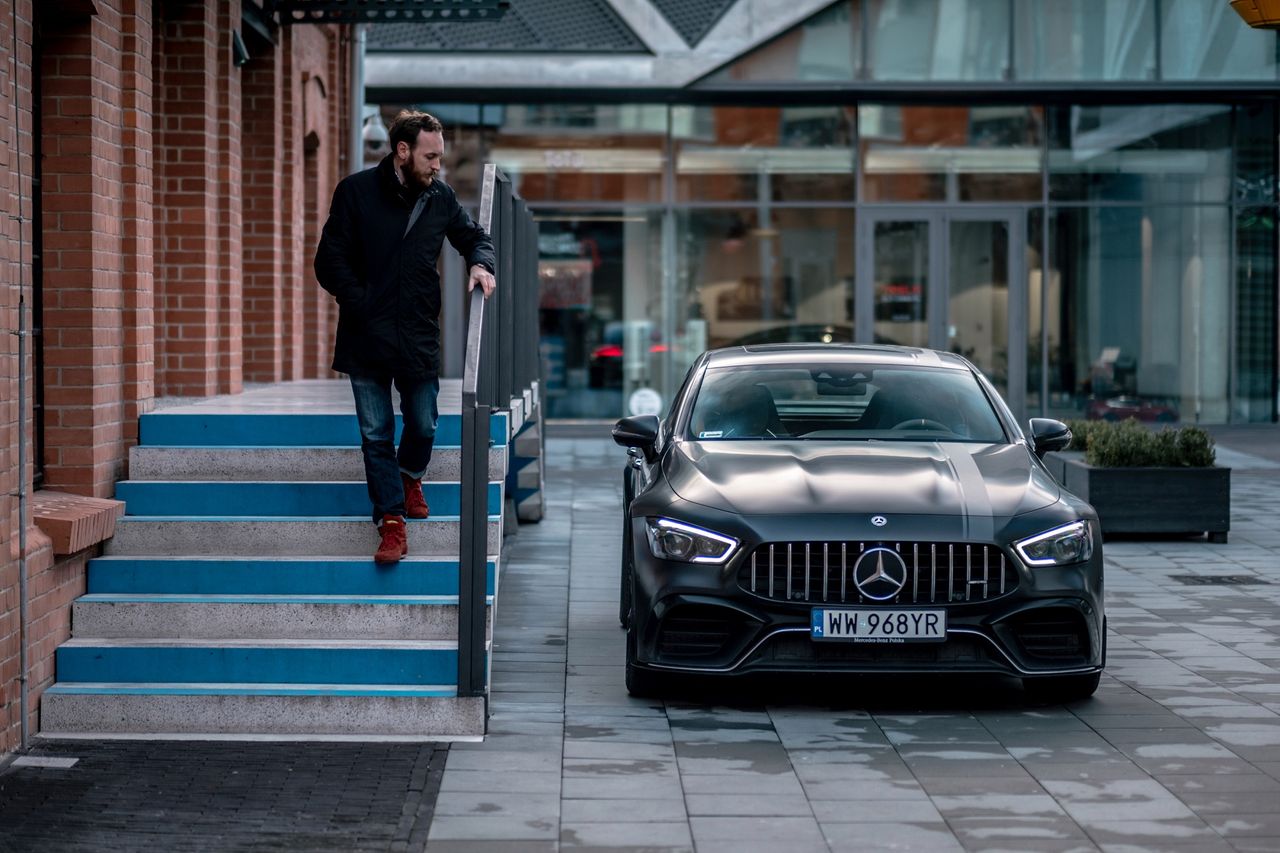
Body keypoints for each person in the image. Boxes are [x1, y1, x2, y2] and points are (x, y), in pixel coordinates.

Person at [314, 110, 496, 564]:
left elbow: (473, 235)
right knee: (375, 433)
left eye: (441, 157)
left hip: (417, 333)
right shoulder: (355, 192)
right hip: (365, 335)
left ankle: (411, 473)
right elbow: (328, 260)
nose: (438, 165)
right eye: (431, 156)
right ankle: (391, 522)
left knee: (424, 423)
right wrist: (362, 300)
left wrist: (480, 262)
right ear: (402, 151)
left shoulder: (440, 197)